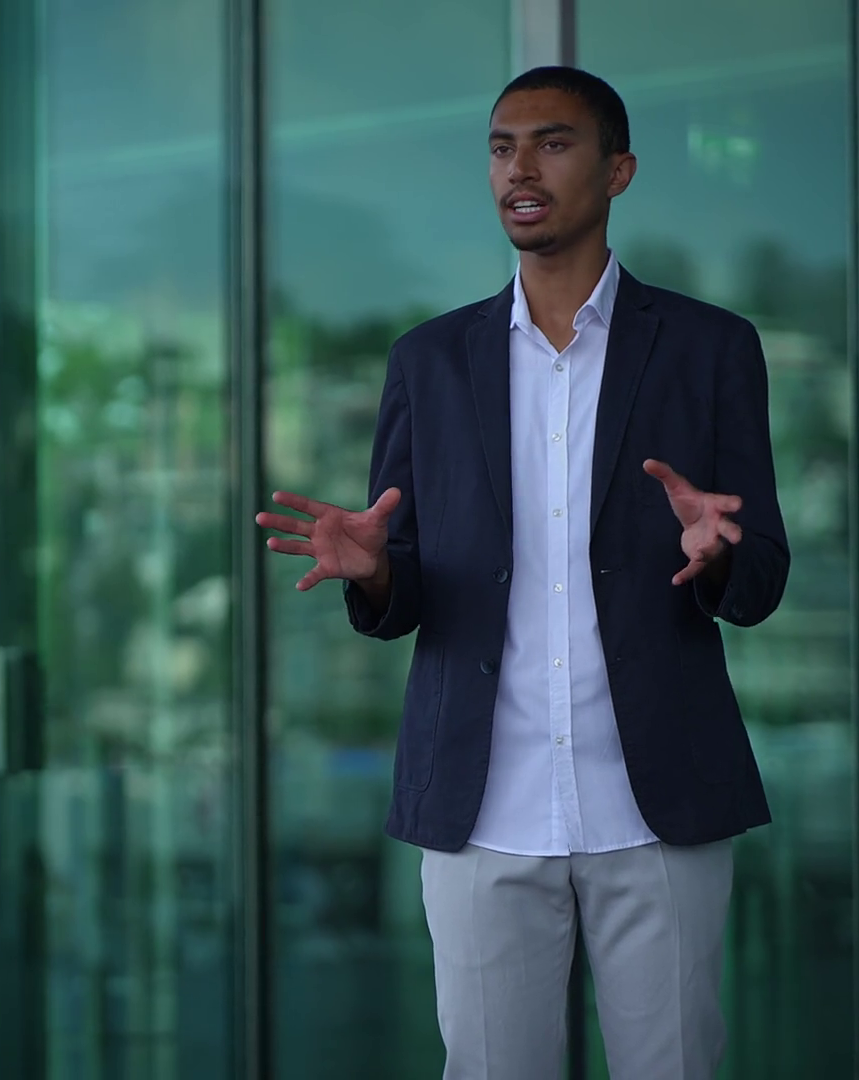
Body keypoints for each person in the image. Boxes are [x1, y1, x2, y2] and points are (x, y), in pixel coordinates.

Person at [258, 66, 787, 1079]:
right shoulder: (428, 360)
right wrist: (375, 574)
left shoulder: (711, 349)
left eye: (553, 143)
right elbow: (406, 587)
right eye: (503, 148)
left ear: (619, 170)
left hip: (659, 803)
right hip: (481, 808)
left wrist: (719, 555)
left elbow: (761, 578)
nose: (520, 169)